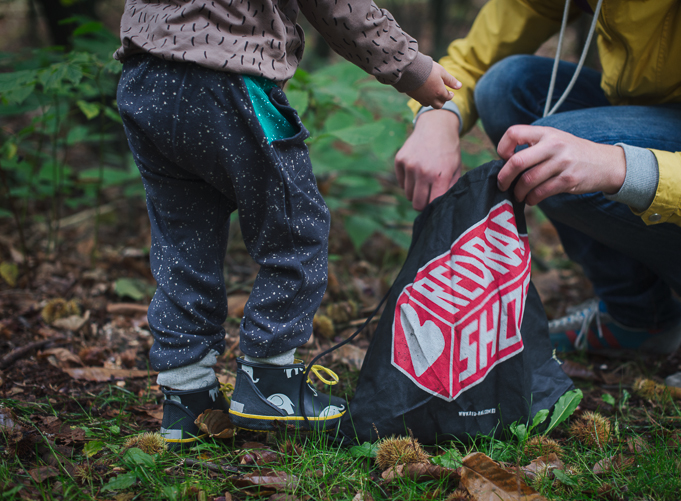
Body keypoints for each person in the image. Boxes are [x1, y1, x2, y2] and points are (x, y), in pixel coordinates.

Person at [114, 0, 461, 448]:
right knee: (295, 229)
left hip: (144, 79)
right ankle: (270, 381)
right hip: (228, 74)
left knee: (183, 240)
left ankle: (186, 396)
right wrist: (410, 67)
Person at [395, 0, 681, 402]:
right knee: (508, 86)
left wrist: (617, 167)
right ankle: (636, 314)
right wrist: (437, 116)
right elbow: (478, 56)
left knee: (552, 159)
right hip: (668, 117)